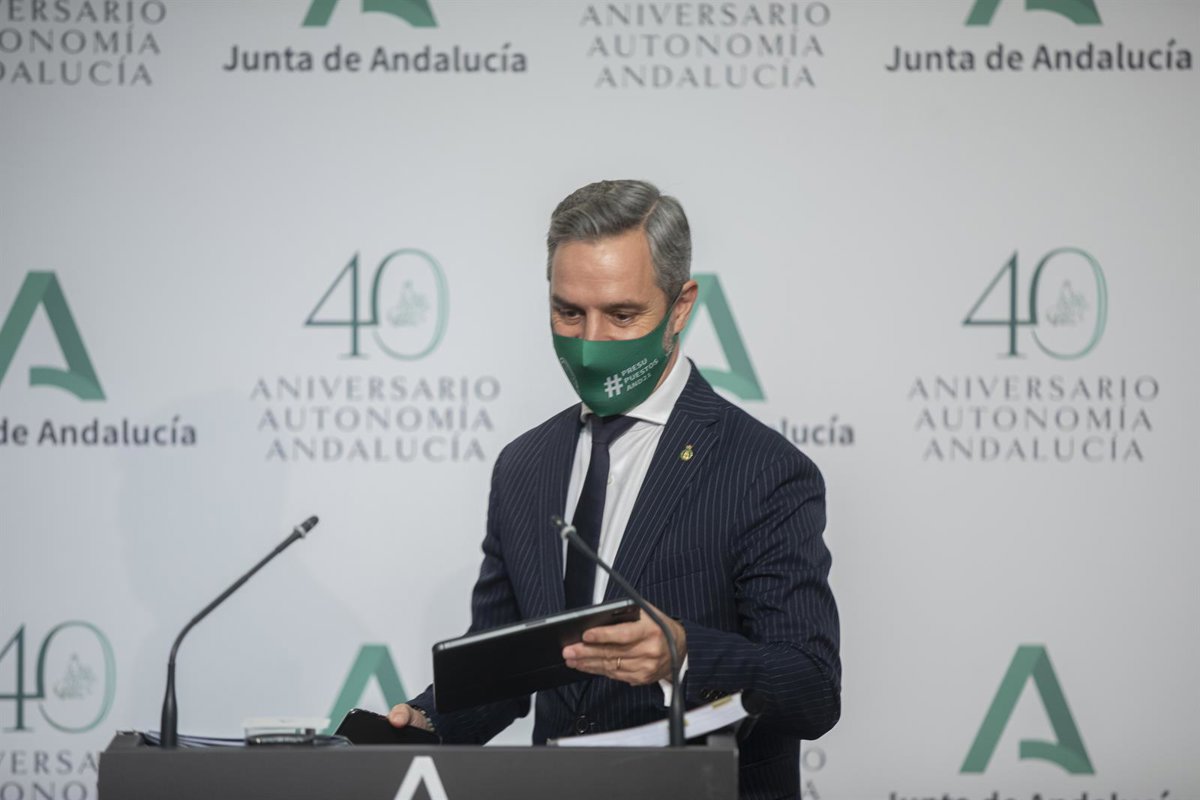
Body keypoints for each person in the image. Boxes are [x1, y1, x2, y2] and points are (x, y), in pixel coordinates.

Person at [391, 179, 840, 799]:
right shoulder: (524, 466)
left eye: (622, 315)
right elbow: (505, 668)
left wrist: (684, 653)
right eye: (569, 313)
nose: (591, 343)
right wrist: (425, 722)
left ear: (680, 306)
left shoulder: (763, 469)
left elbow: (812, 687)